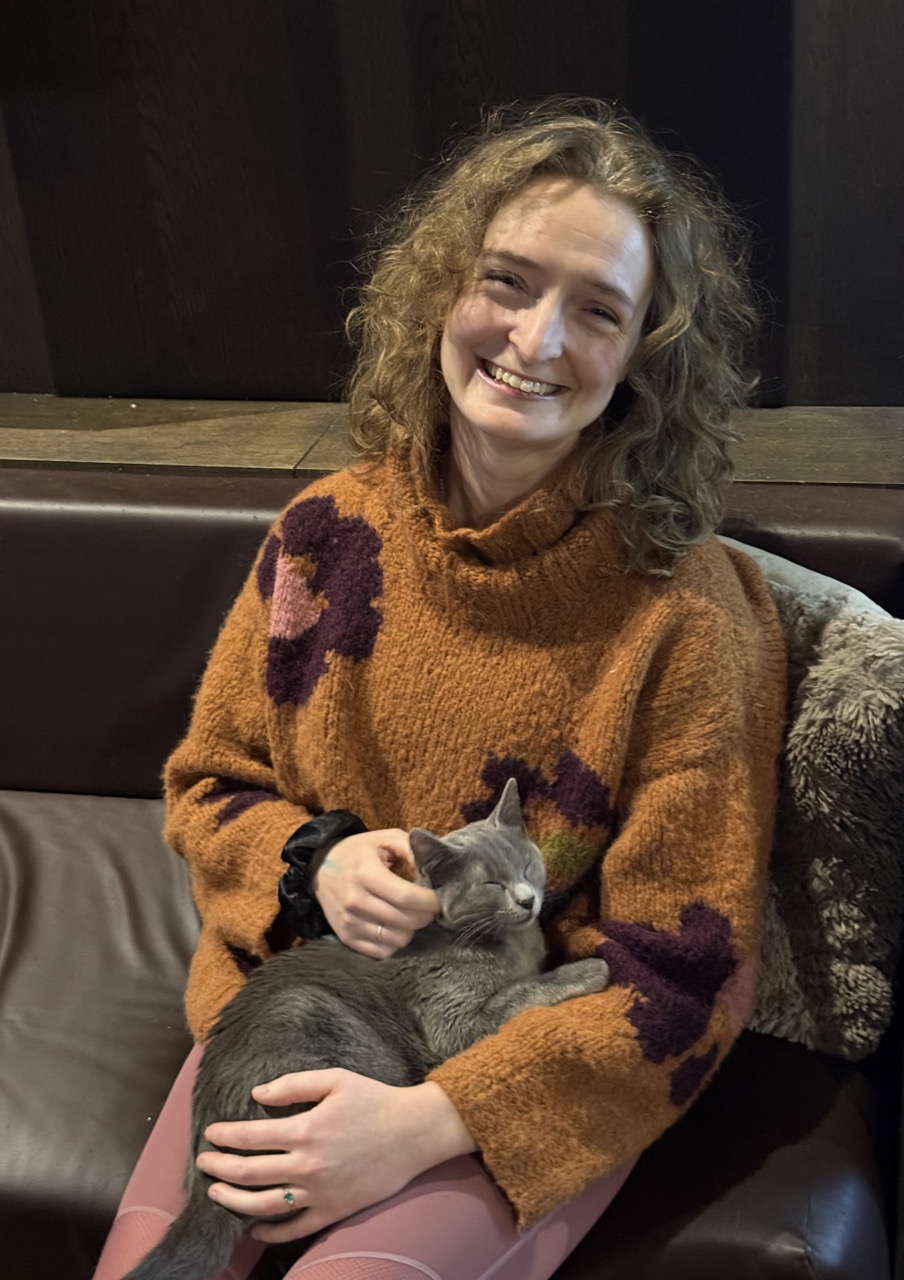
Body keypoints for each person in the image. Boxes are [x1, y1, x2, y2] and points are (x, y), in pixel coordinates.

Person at [94, 97, 786, 1280]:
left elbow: (688, 970)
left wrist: (427, 1121)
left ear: (641, 362)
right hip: (304, 1008)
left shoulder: (688, 618)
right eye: (508, 281)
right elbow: (208, 781)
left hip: (525, 1074)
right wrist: (316, 858)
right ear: (440, 291)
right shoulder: (323, 535)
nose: (535, 338)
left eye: (597, 310)